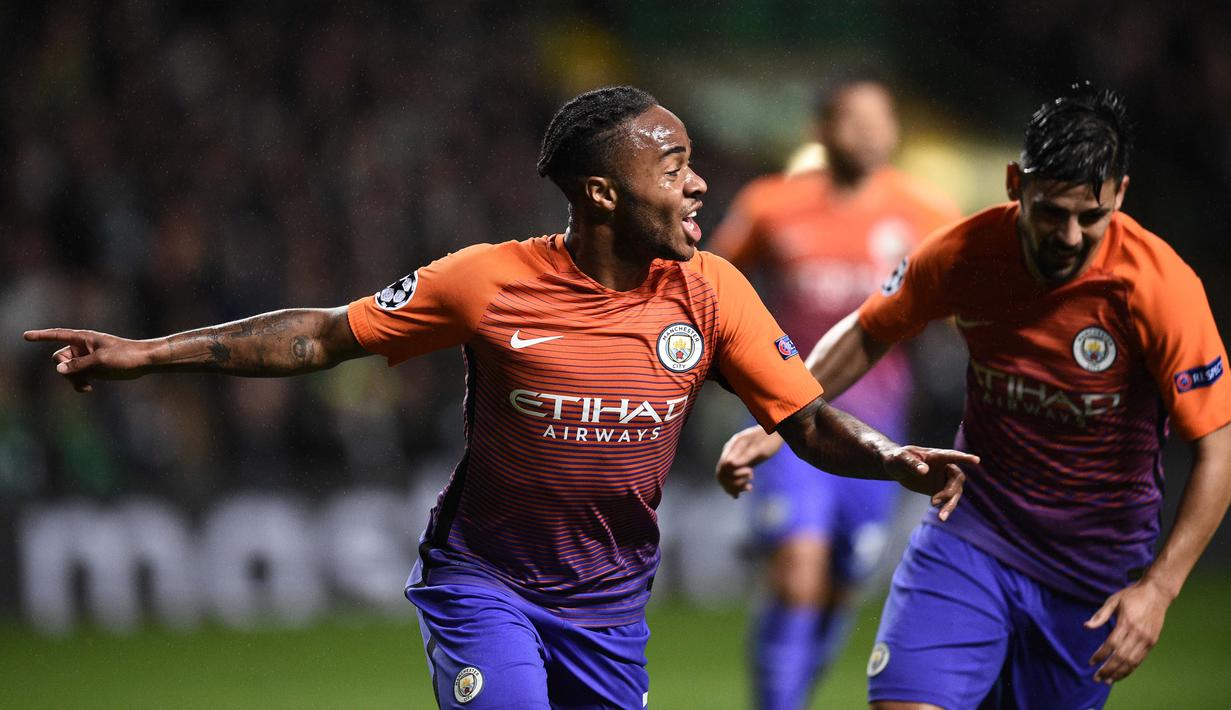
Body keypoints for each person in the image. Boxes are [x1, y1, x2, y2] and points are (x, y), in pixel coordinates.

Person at [24, 86, 976, 710]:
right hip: (488, 585)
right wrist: (147, 354)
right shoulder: (487, 282)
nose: (696, 183)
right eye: (672, 165)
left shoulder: (712, 292)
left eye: (690, 160)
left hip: (609, 605)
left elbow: (803, 417)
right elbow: (321, 333)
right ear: (601, 195)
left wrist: (890, 458)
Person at [716, 83, 1231, 709]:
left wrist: (1160, 589)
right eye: (1050, 212)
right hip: (974, 531)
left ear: (1119, 196)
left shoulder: (1160, 288)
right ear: (1017, 183)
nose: (1068, 236)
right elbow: (870, 328)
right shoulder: (965, 252)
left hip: (1091, 566)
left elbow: (1217, 447)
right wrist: (782, 421)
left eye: (1090, 217)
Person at [708, 76, 960, 710]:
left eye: (883, 118)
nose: (871, 132)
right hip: (794, 421)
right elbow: (706, 284)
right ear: (821, 128)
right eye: (855, 119)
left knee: (841, 587)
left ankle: (791, 692)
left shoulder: (925, 214)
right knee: (797, 577)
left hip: (877, 430)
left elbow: (973, 306)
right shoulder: (770, 205)